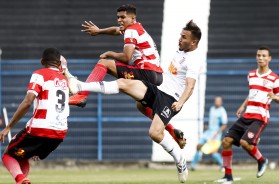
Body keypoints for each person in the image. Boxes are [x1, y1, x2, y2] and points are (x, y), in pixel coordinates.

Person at [65, 20, 202, 183]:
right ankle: (80, 86)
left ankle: (180, 160)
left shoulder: (193, 60)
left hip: (171, 99)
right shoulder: (181, 51)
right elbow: (118, 30)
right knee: (125, 86)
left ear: (194, 42)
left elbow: (190, 86)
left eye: (184, 37)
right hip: (158, 88)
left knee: (154, 133)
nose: (180, 39)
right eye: (180, 35)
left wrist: (180, 102)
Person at [70, 4, 186, 148]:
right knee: (141, 106)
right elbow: (115, 30)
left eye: (123, 17)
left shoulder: (131, 31)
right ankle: (173, 131)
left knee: (104, 63)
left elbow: (126, 57)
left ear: (133, 18)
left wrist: (110, 53)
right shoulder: (135, 28)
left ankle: (81, 95)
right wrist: (99, 31)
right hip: (156, 76)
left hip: (146, 73)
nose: (120, 20)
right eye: (118, 17)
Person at [0, 48, 69, 184]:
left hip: (40, 128)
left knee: (8, 155)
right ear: (58, 63)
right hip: (59, 134)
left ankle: (20, 179)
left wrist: (8, 127)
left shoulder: (40, 74)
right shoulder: (64, 80)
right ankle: (22, 180)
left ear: (42, 61)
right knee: (22, 154)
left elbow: (28, 102)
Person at [215, 46, 279, 183]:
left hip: (260, 117)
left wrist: (274, 97)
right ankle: (228, 177)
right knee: (226, 141)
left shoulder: (274, 78)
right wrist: (243, 106)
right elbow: (252, 94)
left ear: (269, 58)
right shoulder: (251, 74)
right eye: (258, 55)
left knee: (245, 142)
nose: (260, 58)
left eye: (264, 56)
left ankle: (262, 160)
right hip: (247, 115)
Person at [190, 96, 227, 171]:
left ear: (221, 102)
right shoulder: (212, 109)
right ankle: (192, 165)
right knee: (198, 146)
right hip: (208, 132)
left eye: (218, 101)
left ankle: (223, 165)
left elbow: (224, 125)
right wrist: (206, 127)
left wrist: (217, 134)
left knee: (212, 151)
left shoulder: (222, 111)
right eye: (216, 100)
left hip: (215, 134)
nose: (217, 102)